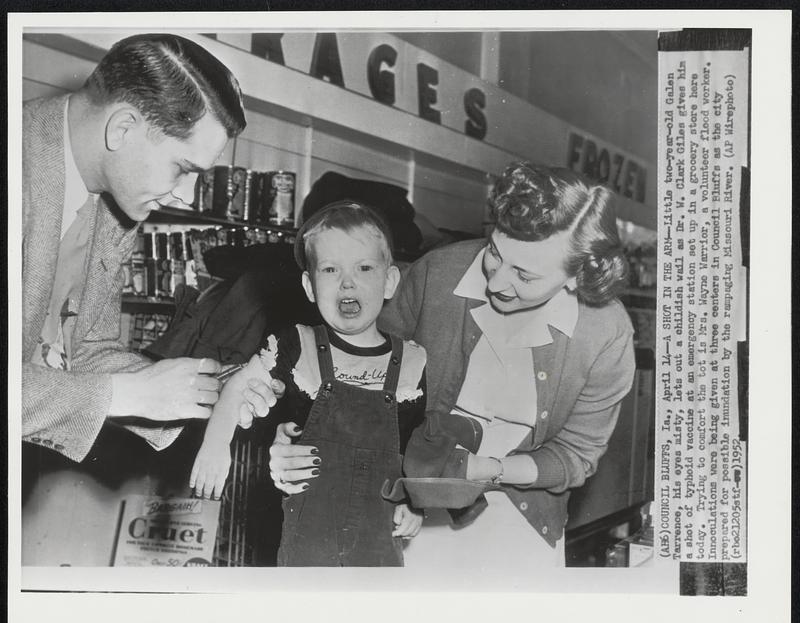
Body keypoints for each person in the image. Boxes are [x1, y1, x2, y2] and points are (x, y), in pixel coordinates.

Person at [268, 162, 636, 570]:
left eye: (525, 276)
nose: (496, 282)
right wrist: (299, 433)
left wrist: (488, 471)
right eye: (495, 253)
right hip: (400, 510)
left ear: (575, 277)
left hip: (524, 524)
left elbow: (576, 455)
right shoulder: (438, 274)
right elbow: (354, 372)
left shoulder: (604, 330)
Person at [22, 33, 274, 464]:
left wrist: (200, 388)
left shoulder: (116, 202)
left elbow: (85, 349)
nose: (187, 197)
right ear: (122, 127)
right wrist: (130, 393)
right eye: (183, 168)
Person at [191, 201, 483, 566]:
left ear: (390, 280)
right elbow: (238, 386)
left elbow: (415, 446)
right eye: (330, 269)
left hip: (378, 537)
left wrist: (415, 503)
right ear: (309, 286)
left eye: (364, 267)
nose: (348, 281)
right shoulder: (295, 345)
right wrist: (216, 445)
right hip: (307, 534)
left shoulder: (413, 360)